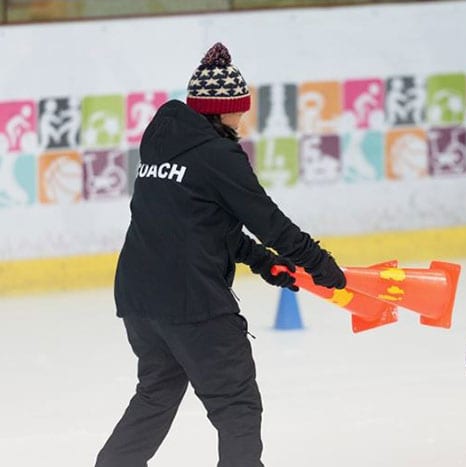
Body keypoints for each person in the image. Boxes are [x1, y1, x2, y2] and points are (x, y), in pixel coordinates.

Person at [95, 42, 346, 467]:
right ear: (223, 109)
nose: (244, 118)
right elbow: (268, 220)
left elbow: (201, 222)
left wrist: (263, 261)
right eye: (240, 109)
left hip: (140, 302)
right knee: (238, 409)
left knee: (155, 397)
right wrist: (320, 264)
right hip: (194, 305)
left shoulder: (160, 139)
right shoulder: (219, 156)